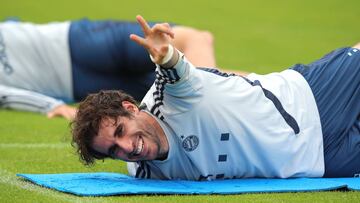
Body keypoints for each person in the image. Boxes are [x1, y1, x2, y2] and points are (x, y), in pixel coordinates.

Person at [71, 15, 360, 180]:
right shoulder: (143, 173)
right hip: (317, 162)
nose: (126, 148)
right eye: (113, 150)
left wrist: (165, 55)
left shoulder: (170, 95)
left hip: (311, 99)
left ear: (130, 107)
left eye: (120, 131)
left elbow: (175, 71)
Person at [0, 18, 219, 120]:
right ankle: (234, 91)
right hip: (80, 86)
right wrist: (52, 105)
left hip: (77, 43)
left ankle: (215, 103)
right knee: (178, 82)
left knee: (193, 40)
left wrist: (51, 105)